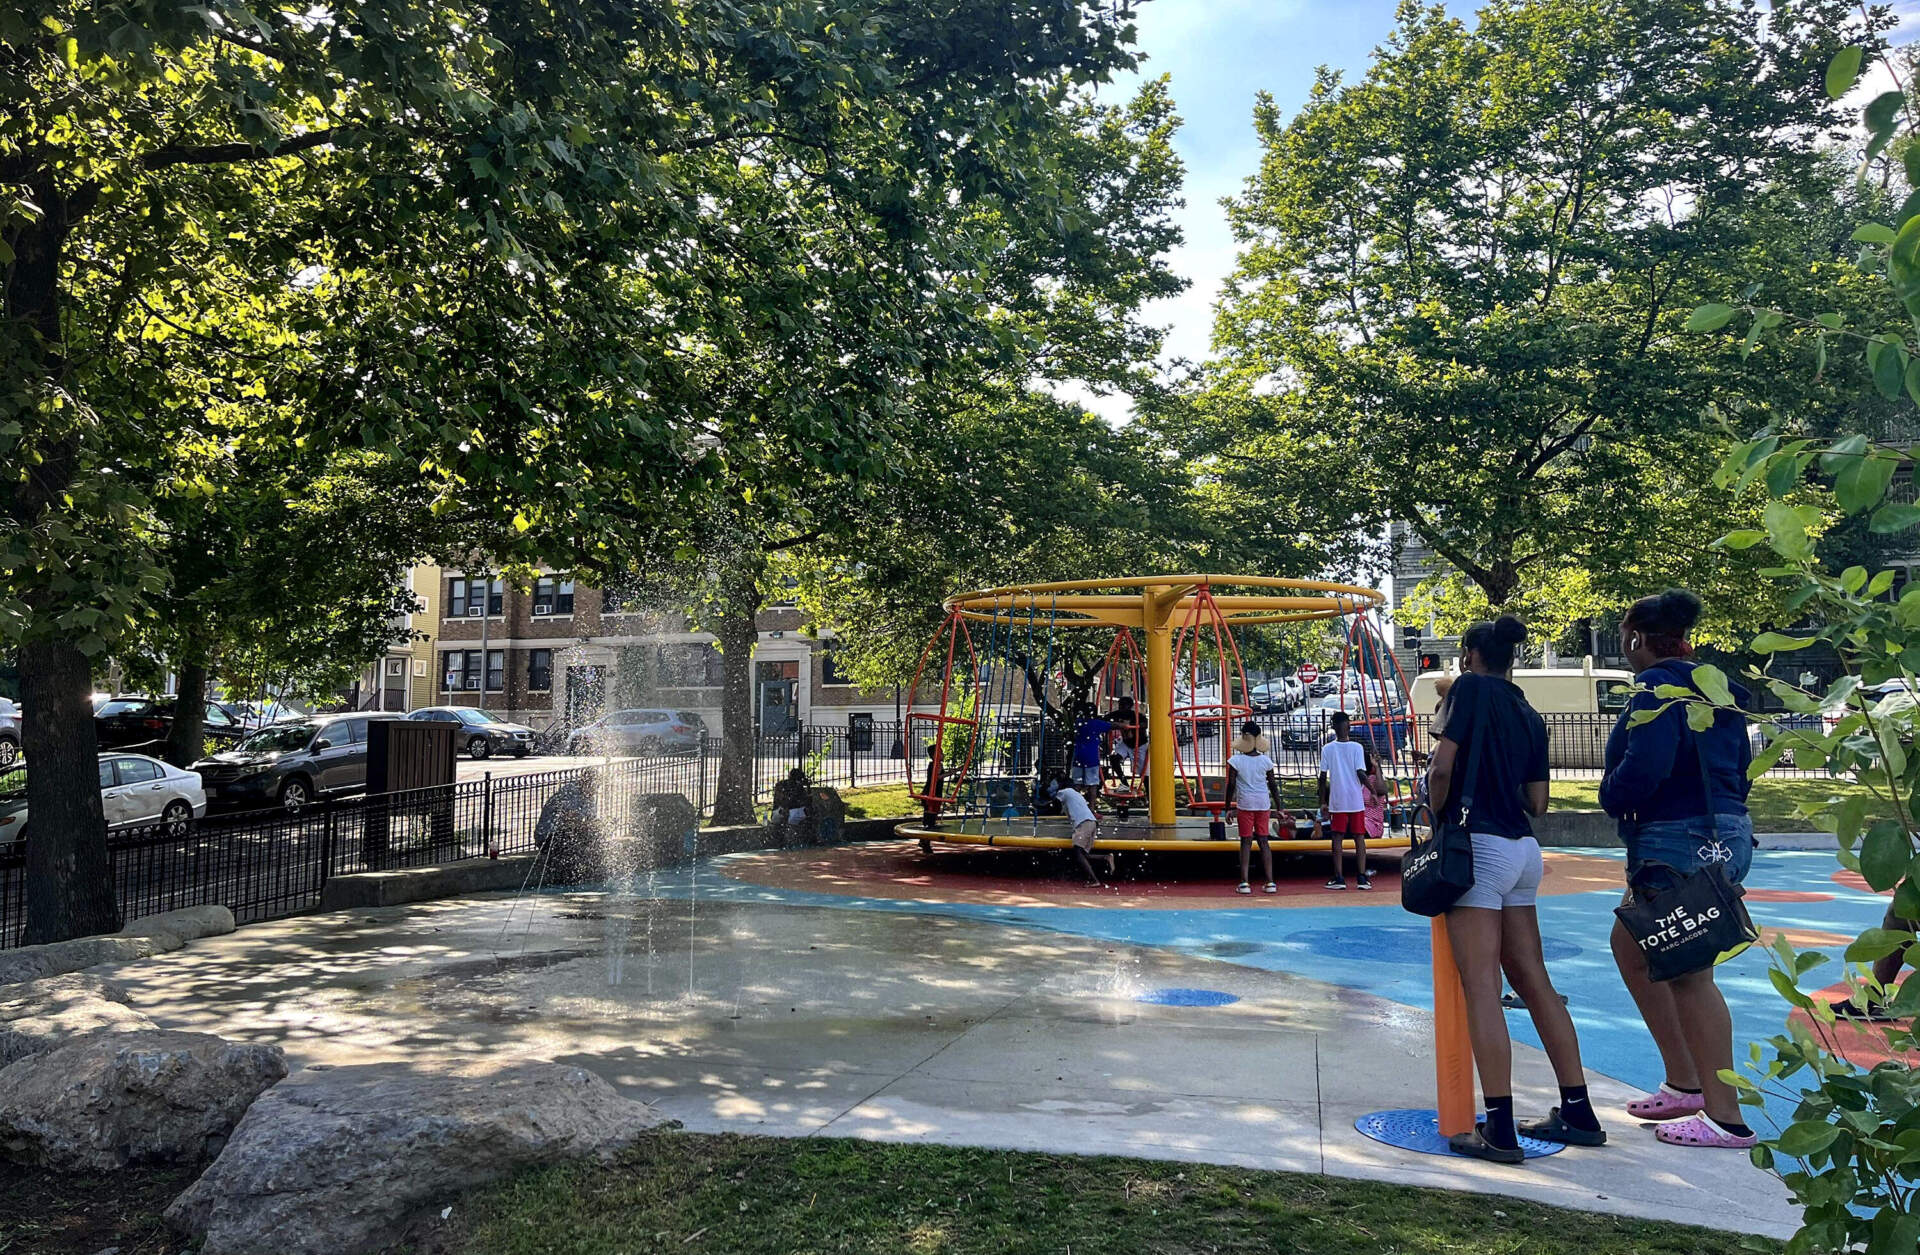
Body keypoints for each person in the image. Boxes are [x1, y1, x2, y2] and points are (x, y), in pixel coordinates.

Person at [1428, 615, 1602, 1163]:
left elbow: (1440, 770)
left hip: (1477, 843)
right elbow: (1540, 802)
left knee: (1481, 987)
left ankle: (1499, 1126)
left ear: (1470, 655)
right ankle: (1577, 1108)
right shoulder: (1529, 710)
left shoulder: (1467, 690)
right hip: (1523, 850)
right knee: (1535, 982)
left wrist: (1437, 828)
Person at [1599, 589, 1758, 1150]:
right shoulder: (1720, 690)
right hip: (1722, 830)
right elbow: (1741, 764)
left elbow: (1645, 763)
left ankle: (1725, 1116)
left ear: (1638, 640)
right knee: (1631, 943)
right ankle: (1687, 1081)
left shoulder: (1654, 689)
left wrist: (1611, 795)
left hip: (1675, 837)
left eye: (1625, 643)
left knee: (1690, 973)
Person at [1225, 721, 1283, 895]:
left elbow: (1231, 784)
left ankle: (1244, 882)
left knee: (1246, 841)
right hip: (1263, 803)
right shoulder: (1266, 761)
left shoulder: (1235, 761)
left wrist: (1227, 807)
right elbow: (1273, 785)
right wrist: (1279, 807)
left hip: (1245, 804)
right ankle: (1270, 881)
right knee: (1264, 841)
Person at [1319, 712, 1370, 889]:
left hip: (1338, 800)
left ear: (1333, 727)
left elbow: (1322, 777)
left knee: (1337, 838)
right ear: (1348, 726)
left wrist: (1322, 801)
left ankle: (1339, 877)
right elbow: (1361, 773)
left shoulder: (1327, 749)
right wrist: (1371, 791)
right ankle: (1362, 877)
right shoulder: (1357, 747)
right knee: (1359, 838)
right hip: (1355, 799)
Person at [1047, 770, 1112, 886]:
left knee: (1078, 853)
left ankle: (1094, 880)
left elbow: (1052, 803)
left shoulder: (1064, 792)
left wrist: (1038, 802)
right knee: (1083, 854)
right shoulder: (1075, 794)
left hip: (1084, 823)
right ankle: (1106, 857)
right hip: (1091, 822)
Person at [1070, 703, 1114, 789]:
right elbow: (1113, 726)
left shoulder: (1078, 723)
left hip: (1078, 756)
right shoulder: (1097, 724)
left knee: (1077, 783)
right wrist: (1126, 725)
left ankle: (1075, 801)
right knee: (1092, 784)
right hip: (1091, 758)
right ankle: (1092, 802)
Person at [770, 767, 811, 845]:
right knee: (784, 815)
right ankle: (782, 840)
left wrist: (807, 787)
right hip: (782, 811)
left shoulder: (799, 787)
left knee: (804, 813)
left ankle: (807, 838)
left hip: (792, 811)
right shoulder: (782, 785)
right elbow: (784, 801)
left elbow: (806, 802)